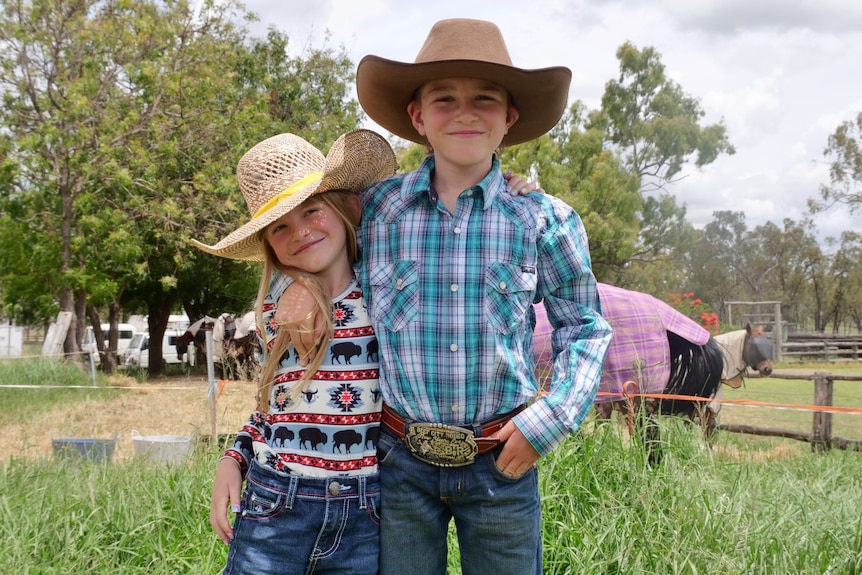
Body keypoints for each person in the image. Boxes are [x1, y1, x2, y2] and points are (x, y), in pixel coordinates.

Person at [283, 18, 614, 575]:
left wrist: (552, 419)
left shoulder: (543, 219)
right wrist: (299, 286)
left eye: (485, 99)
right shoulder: (375, 211)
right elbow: (311, 247)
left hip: (503, 455)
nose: (465, 112)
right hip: (397, 459)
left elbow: (583, 326)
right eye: (444, 99)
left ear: (509, 118)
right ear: (417, 117)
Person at [192, 129, 398, 575]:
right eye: (280, 226)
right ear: (269, 243)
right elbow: (274, 407)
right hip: (275, 501)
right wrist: (235, 456)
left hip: (363, 512)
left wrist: (517, 189)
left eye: (312, 210)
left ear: (342, 208)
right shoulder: (274, 312)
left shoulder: (386, 295)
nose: (300, 231)